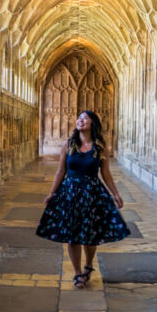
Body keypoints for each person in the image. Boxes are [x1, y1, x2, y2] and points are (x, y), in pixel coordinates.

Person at [36, 110, 130, 288]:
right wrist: (52, 193)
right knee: (73, 236)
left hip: (92, 194)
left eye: (85, 118)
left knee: (90, 235)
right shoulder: (68, 144)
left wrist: (116, 193)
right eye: (79, 118)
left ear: (93, 123)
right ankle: (78, 272)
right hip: (70, 194)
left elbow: (106, 173)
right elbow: (61, 171)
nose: (81, 120)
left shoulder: (100, 147)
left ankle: (88, 264)